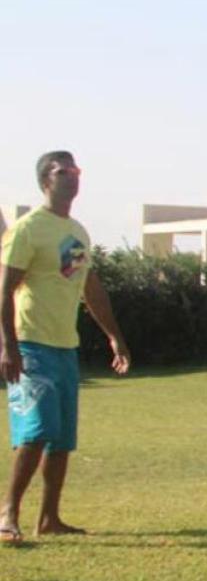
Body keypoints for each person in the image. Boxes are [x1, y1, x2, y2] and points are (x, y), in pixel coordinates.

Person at [0, 151, 131, 544]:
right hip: (31, 345)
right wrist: (8, 346)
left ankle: (49, 518)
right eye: (64, 171)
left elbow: (90, 288)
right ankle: (8, 514)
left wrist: (114, 336)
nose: (73, 176)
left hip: (64, 348)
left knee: (60, 439)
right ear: (46, 180)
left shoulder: (76, 233)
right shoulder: (27, 229)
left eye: (76, 170)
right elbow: (5, 290)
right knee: (36, 431)